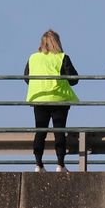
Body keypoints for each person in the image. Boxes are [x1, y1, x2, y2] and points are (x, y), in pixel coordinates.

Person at [23, 29, 80, 172]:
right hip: (59, 99)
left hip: (39, 98)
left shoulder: (33, 58)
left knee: (40, 131)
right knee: (59, 131)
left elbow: (26, 77)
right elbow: (74, 79)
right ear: (57, 42)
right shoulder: (62, 57)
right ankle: (60, 164)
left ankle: (38, 164)